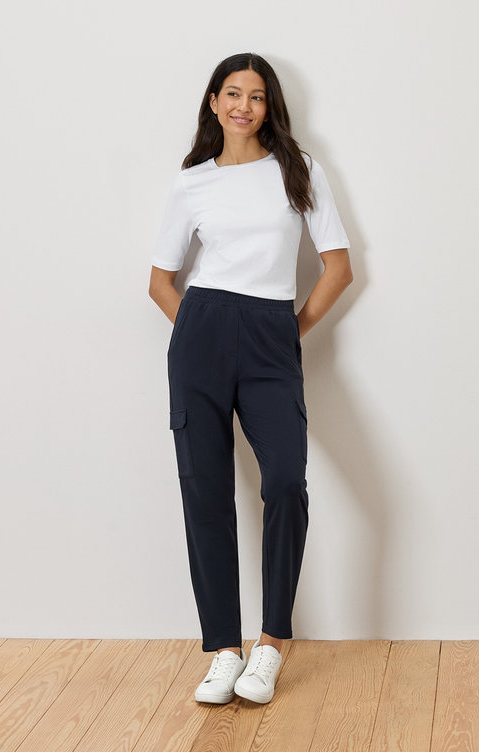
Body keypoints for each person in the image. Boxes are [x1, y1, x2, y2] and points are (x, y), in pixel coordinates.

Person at [148, 52, 353, 705]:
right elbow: (160, 280)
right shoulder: (192, 183)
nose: (244, 106)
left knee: (287, 482)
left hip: (270, 335)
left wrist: (286, 332)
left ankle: (270, 645)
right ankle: (223, 651)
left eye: (256, 96)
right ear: (214, 102)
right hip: (202, 332)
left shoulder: (298, 170)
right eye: (232, 93)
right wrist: (197, 333)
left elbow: (339, 266)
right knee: (205, 493)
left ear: (270, 107)